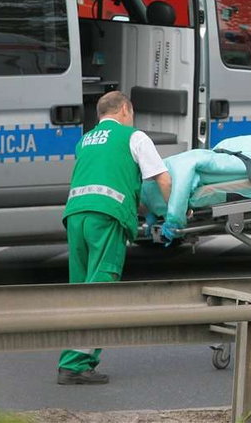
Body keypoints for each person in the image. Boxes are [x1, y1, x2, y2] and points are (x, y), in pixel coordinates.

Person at [57, 91, 172, 385]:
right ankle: (76, 365)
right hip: (105, 216)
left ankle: (69, 360)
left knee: (79, 286)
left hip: (76, 214)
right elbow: (163, 178)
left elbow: (107, 174)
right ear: (124, 109)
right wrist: (172, 214)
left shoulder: (85, 140)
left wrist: (139, 207)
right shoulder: (134, 137)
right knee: (101, 287)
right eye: (131, 114)